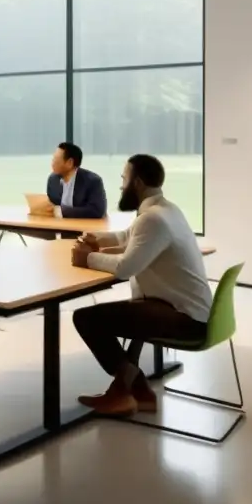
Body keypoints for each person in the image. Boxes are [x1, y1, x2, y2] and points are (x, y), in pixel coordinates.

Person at [70, 154, 213, 417]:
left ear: (137, 182)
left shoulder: (153, 218)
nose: (121, 185)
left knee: (86, 318)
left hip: (186, 320)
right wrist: (95, 239)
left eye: (124, 179)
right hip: (192, 311)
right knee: (134, 310)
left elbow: (126, 268)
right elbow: (128, 237)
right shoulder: (166, 209)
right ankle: (136, 392)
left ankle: (129, 390)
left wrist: (86, 258)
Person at [47, 142, 107, 219]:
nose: (52, 163)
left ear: (70, 162)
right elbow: (51, 205)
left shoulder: (93, 181)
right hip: (59, 227)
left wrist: (62, 211)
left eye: (56, 160)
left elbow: (96, 210)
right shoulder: (52, 180)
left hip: (85, 227)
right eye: (53, 159)